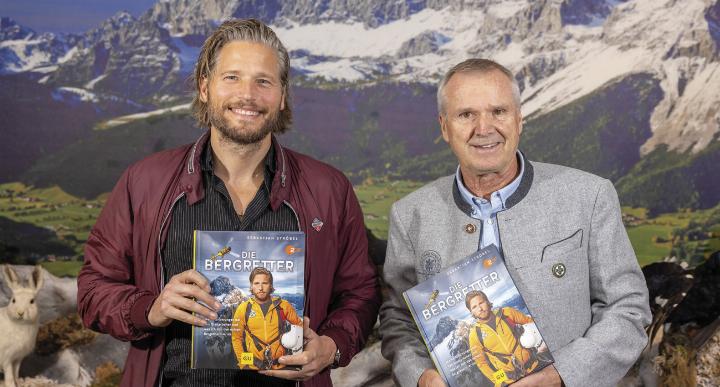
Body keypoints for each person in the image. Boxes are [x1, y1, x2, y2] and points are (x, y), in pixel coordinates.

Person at [77, 18, 380, 387]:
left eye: (263, 81)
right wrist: (150, 308)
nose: (247, 95)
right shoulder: (145, 183)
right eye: (232, 77)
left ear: (282, 96)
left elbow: (360, 294)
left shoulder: (329, 189)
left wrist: (331, 345)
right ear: (205, 88)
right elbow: (94, 289)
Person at [379, 59, 651, 387]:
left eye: (499, 112)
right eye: (466, 114)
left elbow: (628, 308)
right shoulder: (410, 215)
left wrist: (559, 376)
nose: (484, 128)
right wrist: (422, 378)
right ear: (444, 127)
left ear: (519, 119)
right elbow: (398, 322)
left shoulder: (589, 196)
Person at [231, 267, 302, 370]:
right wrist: (245, 364)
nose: (260, 287)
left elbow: (299, 326)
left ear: (271, 286)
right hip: (253, 366)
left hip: (281, 366)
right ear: (251, 286)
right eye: (256, 283)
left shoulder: (283, 306)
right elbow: (236, 338)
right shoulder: (243, 309)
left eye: (265, 283)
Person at [465, 291, 536, 386]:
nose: (480, 308)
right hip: (510, 381)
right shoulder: (474, 335)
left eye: (481, 303)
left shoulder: (507, 313)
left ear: (487, 301)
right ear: (471, 312)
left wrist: (539, 347)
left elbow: (530, 323)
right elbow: (481, 363)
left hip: (534, 366)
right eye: (474, 307)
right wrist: (500, 381)